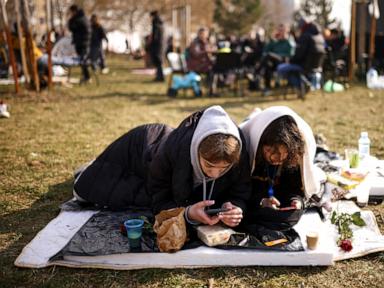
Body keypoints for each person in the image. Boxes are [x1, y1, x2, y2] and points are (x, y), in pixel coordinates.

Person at [74, 105, 251, 228]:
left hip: (161, 151)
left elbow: (240, 192)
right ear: (196, 151)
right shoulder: (172, 151)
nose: (214, 174)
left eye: (223, 169)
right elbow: (158, 197)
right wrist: (187, 213)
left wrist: (235, 207)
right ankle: (88, 168)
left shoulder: (238, 155)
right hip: (142, 152)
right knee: (90, 190)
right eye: (209, 165)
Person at [239, 106, 320, 230]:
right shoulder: (249, 146)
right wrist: (261, 201)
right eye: (270, 150)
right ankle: (254, 115)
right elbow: (240, 189)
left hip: (275, 195)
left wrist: (295, 200)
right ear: (260, 144)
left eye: (284, 152)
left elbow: (294, 186)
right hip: (254, 125)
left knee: (290, 216)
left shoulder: (294, 153)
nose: (277, 159)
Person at [277, 18, 326, 98]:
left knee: (281, 68)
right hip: (318, 67)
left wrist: (290, 61)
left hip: (304, 66)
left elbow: (299, 55)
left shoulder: (305, 36)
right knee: (291, 70)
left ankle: (302, 85)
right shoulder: (320, 37)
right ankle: (305, 84)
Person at [257, 24, 295, 95]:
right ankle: (267, 88)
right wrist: (271, 40)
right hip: (274, 62)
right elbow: (265, 50)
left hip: (284, 61)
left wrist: (278, 55)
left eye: (282, 30)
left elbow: (291, 53)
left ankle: (257, 72)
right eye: (279, 30)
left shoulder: (289, 40)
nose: (280, 32)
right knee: (267, 66)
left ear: (286, 31)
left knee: (269, 55)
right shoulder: (276, 41)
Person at [67, 4, 91, 83]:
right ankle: (86, 76)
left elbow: (71, 27)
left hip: (82, 43)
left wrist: (71, 19)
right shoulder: (82, 18)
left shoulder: (78, 19)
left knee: (82, 60)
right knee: (82, 60)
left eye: (71, 12)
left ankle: (87, 77)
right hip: (82, 42)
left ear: (74, 11)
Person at [149, 10, 164, 82]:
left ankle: (160, 77)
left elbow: (155, 37)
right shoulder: (161, 24)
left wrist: (150, 45)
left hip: (157, 46)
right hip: (160, 46)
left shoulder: (156, 25)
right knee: (159, 62)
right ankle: (160, 76)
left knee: (158, 62)